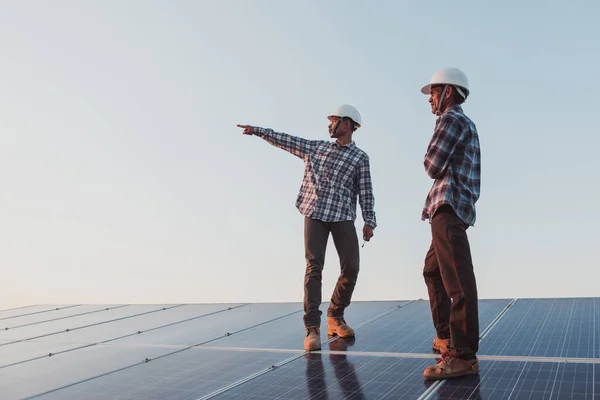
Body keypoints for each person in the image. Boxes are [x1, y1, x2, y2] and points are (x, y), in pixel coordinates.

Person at [237, 105, 376, 351]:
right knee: (314, 267)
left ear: (347, 124)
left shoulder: (360, 158)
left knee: (351, 267)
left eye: (333, 120)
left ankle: (336, 316)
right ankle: (312, 328)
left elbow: (366, 191)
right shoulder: (317, 148)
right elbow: (286, 140)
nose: (329, 125)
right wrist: (258, 131)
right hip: (315, 213)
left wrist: (369, 220)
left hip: (342, 215)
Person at [419, 68, 481, 380]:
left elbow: (432, 165)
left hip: (448, 207)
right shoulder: (461, 122)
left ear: (448, 92)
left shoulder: (451, 118)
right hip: (447, 208)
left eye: (433, 92)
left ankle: (464, 356)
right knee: (432, 270)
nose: (429, 99)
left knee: (457, 280)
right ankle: (445, 336)